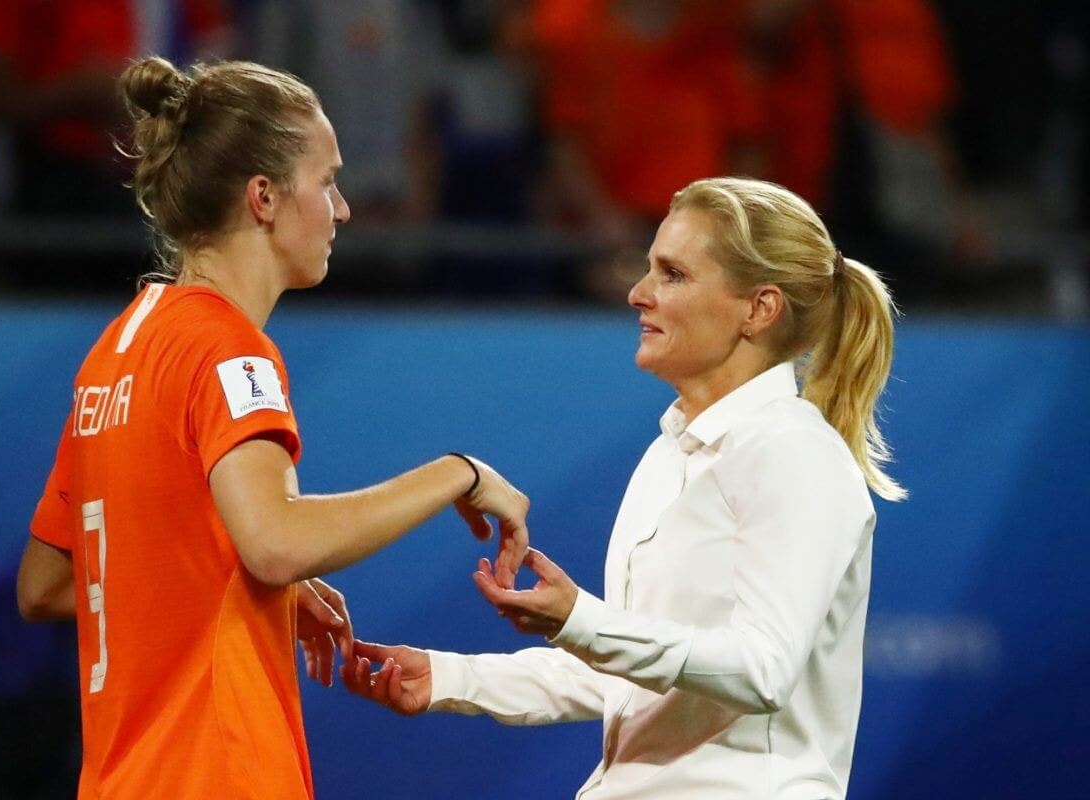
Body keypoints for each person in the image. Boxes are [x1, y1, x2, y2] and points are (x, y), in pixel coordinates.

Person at [15, 56, 530, 800]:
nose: (342, 209)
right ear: (263, 197)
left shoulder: (117, 350)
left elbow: (48, 583)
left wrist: (242, 588)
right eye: (327, 181)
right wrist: (457, 473)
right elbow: (276, 542)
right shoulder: (229, 350)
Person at [343, 177, 906, 799]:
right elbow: (637, 677)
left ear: (759, 309)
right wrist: (452, 678)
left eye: (673, 274)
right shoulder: (671, 452)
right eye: (650, 269)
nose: (639, 293)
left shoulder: (794, 451)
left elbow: (763, 669)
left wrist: (581, 620)